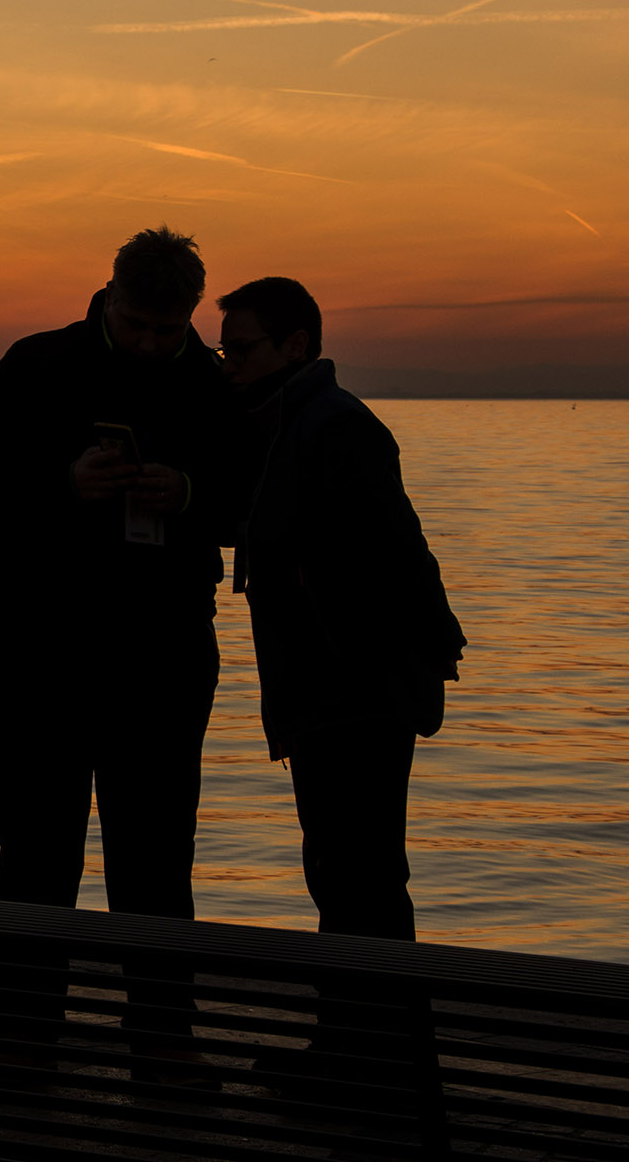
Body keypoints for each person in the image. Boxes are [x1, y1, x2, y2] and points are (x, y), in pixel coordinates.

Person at [0, 227, 236, 1070]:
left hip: (162, 651)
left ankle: (161, 1043)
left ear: (189, 316)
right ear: (108, 297)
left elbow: (251, 501)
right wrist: (64, 485)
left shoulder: (212, 387)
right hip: (34, 645)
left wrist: (187, 493)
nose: (152, 344)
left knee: (156, 854)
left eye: (167, 330)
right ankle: (25, 1042)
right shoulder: (36, 364)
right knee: (37, 849)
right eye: (137, 325)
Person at [217, 276, 465, 943]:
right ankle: (346, 1036)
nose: (231, 367)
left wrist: (390, 669)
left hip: (353, 691)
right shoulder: (285, 426)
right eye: (223, 355)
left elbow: (396, 560)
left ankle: (388, 1044)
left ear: (294, 345)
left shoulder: (334, 428)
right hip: (328, 689)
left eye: (242, 351)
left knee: (361, 872)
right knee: (338, 868)